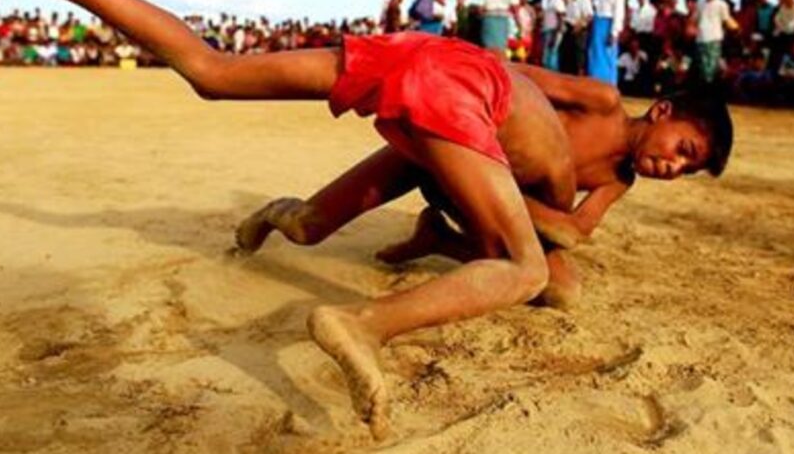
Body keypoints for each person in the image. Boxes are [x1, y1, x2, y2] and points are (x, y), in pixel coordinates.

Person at [0, 0, 587, 439]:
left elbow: (423, 159)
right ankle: (364, 325)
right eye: (684, 153)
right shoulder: (555, 176)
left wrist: (408, 230)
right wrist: (466, 242)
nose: (670, 166)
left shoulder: (528, 130)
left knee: (214, 73)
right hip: (460, 89)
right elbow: (557, 268)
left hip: (429, 57)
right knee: (528, 271)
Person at [237, 70, 732, 314]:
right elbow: (516, 80)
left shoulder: (618, 179)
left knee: (561, 289)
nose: (674, 166)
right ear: (662, 112)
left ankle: (438, 238)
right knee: (307, 228)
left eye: (686, 169)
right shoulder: (600, 102)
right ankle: (273, 213)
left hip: (489, 196)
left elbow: (576, 230)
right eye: (683, 149)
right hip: (445, 147)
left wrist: (519, 208)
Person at [695, 0, 740, 83]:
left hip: (714, 38)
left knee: (713, 66)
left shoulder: (721, 4)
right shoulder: (700, 3)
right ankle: (705, 89)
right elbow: (695, 19)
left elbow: (727, 19)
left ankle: (712, 89)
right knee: (703, 66)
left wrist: (737, 28)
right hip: (701, 38)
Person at [587, 0, 625, 85]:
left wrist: (614, 32)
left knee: (608, 54)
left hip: (608, 24)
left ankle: (609, 83)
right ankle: (595, 80)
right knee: (595, 53)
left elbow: (619, 13)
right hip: (598, 23)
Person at [539, 0, 565, 71]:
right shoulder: (546, 1)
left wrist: (556, 33)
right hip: (547, 30)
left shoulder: (557, 1)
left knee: (552, 54)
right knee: (546, 55)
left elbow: (561, 17)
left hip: (554, 31)